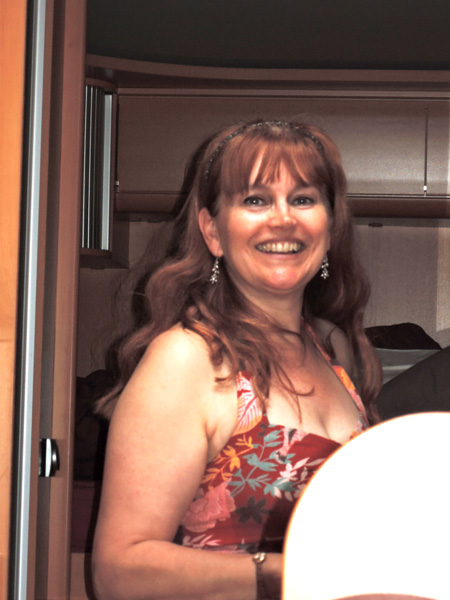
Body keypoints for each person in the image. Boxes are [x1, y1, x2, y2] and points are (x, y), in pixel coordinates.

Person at [92, 119, 382, 600]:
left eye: (303, 199)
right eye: (255, 200)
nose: (283, 219)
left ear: (330, 228)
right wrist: (284, 571)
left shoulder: (332, 351)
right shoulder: (187, 357)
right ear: (212, 231)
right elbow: (118, 572)